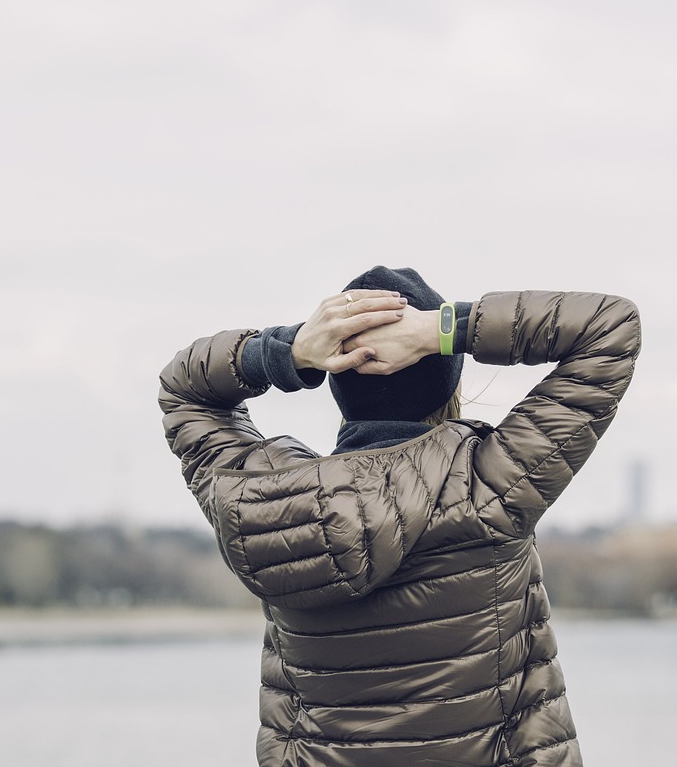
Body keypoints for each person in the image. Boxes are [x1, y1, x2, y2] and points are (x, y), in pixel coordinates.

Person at [158, 266, 640, 767]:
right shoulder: (491, 483)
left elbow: (184, 390)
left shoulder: (264, 502)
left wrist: (290, 351)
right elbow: (609, 326)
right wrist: (441, 330)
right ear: (443, 379)